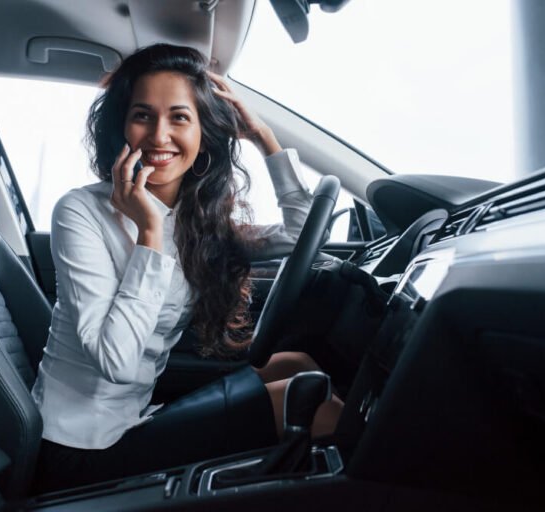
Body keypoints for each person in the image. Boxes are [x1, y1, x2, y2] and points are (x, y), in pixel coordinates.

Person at [31, 44, 342, 493]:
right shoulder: (79, 212)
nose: (159, 136)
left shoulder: (198, 218)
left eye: (179, 117)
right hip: (80, 448)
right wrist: (149, 234)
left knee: (295, 364)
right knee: (312, 405)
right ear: (122, 125)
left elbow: (301, 235)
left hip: (135, 416)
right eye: (143, 115)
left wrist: (264, 140)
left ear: (204, 132)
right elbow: (116, 361)